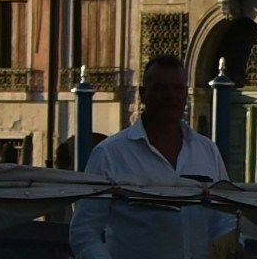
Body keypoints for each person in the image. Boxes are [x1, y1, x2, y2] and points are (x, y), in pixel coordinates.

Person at [87, 53, 229, 182]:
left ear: (186, 93)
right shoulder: (109, 154)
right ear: (143, 94)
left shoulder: (208, 151)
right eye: (161, 88)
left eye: (177, 88)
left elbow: (223, 207)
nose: (170, 96)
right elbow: (91, 210)